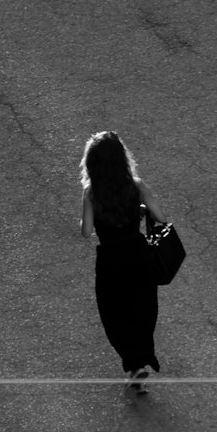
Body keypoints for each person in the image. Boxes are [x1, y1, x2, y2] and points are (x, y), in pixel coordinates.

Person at [79, 131, 169, 394]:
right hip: (139, 257)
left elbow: (86, 231)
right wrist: (141, 210)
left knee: (115, 315)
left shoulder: (91, 192)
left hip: (110, 262)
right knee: (142, 310)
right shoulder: (137, 186)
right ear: (122, 159)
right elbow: (161, 216)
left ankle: (133, 365)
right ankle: (140, 360)